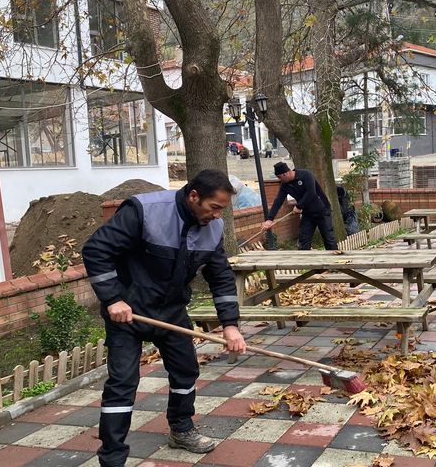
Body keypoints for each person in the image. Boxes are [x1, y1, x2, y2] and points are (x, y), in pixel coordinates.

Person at [82, 170, 247, 467]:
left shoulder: (213, 228)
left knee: (186, 371)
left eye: (222, 209)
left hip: (171, 312)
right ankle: (112, 457)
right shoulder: (144, 211)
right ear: (193, 195)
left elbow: (220, 277)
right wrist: (113, 299)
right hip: (128, 313)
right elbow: (96, 250)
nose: (218, 215)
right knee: (123, 384)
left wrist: (231, 325)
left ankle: (181, 429)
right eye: (214, 207)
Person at [263, 162, 338, 250]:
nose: (279, 180)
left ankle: (335, 260)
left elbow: (311, 193)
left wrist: (299, 206)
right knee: (303, 241)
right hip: (307, 213)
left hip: (322, 210)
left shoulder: (305, 175)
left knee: (329, 239)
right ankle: (304, 262)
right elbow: (278, 201)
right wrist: (269, 219)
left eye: (280, 177)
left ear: (285, 173)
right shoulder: (285, 185)